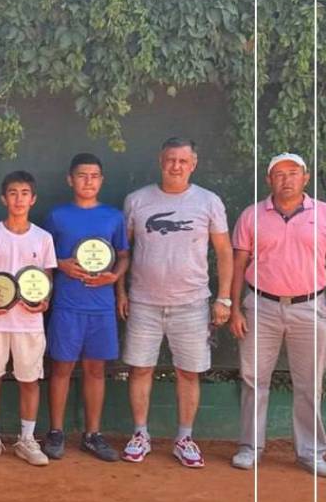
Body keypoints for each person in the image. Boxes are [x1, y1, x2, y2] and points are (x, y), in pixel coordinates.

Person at [117, 138, 233, 468]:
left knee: (188, 372)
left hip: (192, 304)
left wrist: (224, 298)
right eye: (171, 159)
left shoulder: (209, 201)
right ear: (161, 161)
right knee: (140, 369)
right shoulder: (136, 200)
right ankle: (140, 434)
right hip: (143, 302)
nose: (176, 166)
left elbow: (224, 252)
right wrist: (121, 292)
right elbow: (122, 252)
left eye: (183, 161)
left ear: (193, 164)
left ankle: (184, 438)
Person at [229, 153, 326, 475]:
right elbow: (238, 265)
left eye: (293, 173)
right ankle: (249, 447)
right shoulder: (251, 215)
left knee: (309, 383)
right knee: (253, 380)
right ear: (269, 179)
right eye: (279, 174)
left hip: (311, 307)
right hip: (261, 307)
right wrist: (234, 309)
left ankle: (311, 452)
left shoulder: (323, 214)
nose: (287, 179)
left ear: (306, 178)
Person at [42, 153, 129, 462]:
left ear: (101, 180)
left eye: (94, 176)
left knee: (95, 370)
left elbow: (123, 255)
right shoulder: (56, 216)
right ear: (70, 179)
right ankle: (56, 432)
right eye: (82, 175)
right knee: (61, 368)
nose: (88, 181)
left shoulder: (114, 217)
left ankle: (92, 434)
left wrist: (114, 277)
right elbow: (42, 256)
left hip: (101, 307)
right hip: (67, 305)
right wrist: (60, 264)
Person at [0, 170, 56, 467]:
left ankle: (27, 440)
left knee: (29, 382)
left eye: (24, 194)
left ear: (33, 199)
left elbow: (46, 279)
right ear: (3, 198)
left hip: (29, 324)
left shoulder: (43, 238)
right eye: (13, 193)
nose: (19, 199)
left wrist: (44, 300)